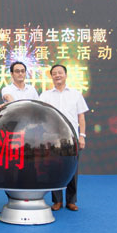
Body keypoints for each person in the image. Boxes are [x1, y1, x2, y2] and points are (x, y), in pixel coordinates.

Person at [39, 64, 88, 211]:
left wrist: (82, 136)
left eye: (60, 72)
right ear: (51, 76)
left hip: (72, 138)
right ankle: (57, 201)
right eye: (54, 73)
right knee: (54, 169)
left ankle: (71, 201)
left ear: (66, 75)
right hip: (52, 138)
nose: (57, 75)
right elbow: (41, 117)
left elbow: (81, 117)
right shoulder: (45, 95)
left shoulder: (76, 94)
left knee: (72, 169)